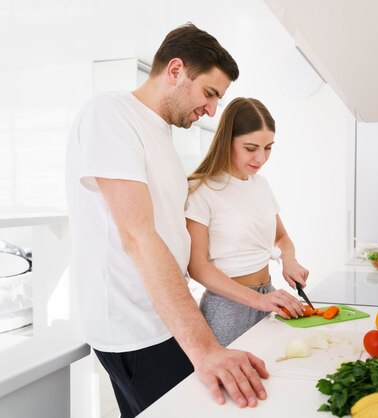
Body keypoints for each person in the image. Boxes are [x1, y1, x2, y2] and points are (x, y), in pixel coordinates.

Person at [65, 23, 268, 418]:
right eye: (210, 94)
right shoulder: (110, 113)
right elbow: (138, 237)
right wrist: (206, 348)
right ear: (175, 70)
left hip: (163, 321)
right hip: (132, 329)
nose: (212, 110)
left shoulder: (160, 135)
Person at [185, 97, 309, 346]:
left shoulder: (260, 184)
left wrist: (289, 259)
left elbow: (282, 237)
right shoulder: (201, 190)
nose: (261, 158)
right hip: (228, 308)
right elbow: (197, 267)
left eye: (268, 148)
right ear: (226, 140)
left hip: (269, 295)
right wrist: (257, 300)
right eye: (251, 148)